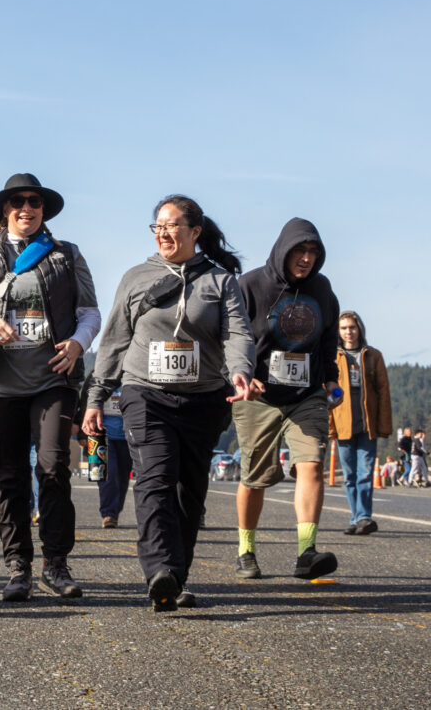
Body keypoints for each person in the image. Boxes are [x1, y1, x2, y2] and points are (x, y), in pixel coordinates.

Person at [83, 194, 255, 612]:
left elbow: (237, 334)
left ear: (195, 232)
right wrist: (95, 397)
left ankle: (175, 579)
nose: (163, 232)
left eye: (173, 225)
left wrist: (240, 370)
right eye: (157, 225)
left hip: (203, 399)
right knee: (155, 481)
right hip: (145, 393)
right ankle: (159, 570)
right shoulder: (137, 277)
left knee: (189, 494)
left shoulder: (220, 282)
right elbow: (114, 340)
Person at [0, 173, 100, 601]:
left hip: (54, 379)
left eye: (34, 201)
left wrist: (77, 343)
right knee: (11, 475)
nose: (26, 208)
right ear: (5, 210)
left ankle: (57, 564)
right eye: (18, 201)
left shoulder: (66, 255)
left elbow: (90, 313)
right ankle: (18, 568)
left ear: (43, 210)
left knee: (53, 467)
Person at [232, 219, 341, 582]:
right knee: (255, 477)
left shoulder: (322, 289)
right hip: (257, 396)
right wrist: (244, 375)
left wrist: (330, 381)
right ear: (284, 249)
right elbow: (230, 337)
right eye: (300, 251)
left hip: (306, 394)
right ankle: (246, 550)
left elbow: (328, 340)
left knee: (311, 464)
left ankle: (306, 552)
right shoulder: (249, 285)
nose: (307, 259)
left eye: (313, 253)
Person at [328, 311, 391, 535]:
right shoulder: (332, 357)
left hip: (367, 425)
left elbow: (383, 392)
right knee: (349, 476)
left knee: (365, 473)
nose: (348, 332)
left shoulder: (373, 356)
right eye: (344, 328)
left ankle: (364, 517)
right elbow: (327, 393)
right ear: (338, 331)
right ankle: (355, 518)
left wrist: (383, 424)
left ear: (359, 329)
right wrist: (330, 426)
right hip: (343, 423)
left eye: (352, 327)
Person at [97, 388, 132, 529]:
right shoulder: (96, 376)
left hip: (128, 435)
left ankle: (115, 512)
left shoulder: (131, 375)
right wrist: (82, 434)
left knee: (123, 478)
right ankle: (108, 514)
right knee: (105, 475)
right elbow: (85, 403)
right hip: (99, 434)